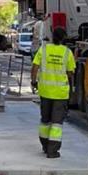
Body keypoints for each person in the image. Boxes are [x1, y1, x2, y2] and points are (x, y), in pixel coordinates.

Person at [31, 27, 75, 158]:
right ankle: (52, 150)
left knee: (45, 120)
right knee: (56, 123)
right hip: (60, 94)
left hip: (45, 91)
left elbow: (35, 67)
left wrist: (34, 81)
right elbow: (70, 72)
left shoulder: (44, 49)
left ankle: (45, 146)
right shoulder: (67, 52)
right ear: (63, 38)